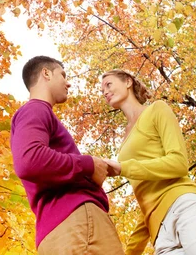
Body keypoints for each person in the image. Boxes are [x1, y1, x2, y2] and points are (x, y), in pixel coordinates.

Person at [101, 68, 196, 255]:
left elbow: (179, 163)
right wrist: (132, 250)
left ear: (127, 82)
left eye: (108, 85)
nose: (105, 92)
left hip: (186, 207)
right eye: (102, 91)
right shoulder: (123, 143)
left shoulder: (156, 109)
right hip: (161, 235)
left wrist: (125, 167)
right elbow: (146, 197)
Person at [10, 55, 125, 255]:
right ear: (46, 73)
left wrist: (97, 166)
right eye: (62, 75)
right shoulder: (36, 109)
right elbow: (29, 160)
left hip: (58, 231)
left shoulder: (35, 114)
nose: (68, 83)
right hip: (76, 221)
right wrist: (88, 165)